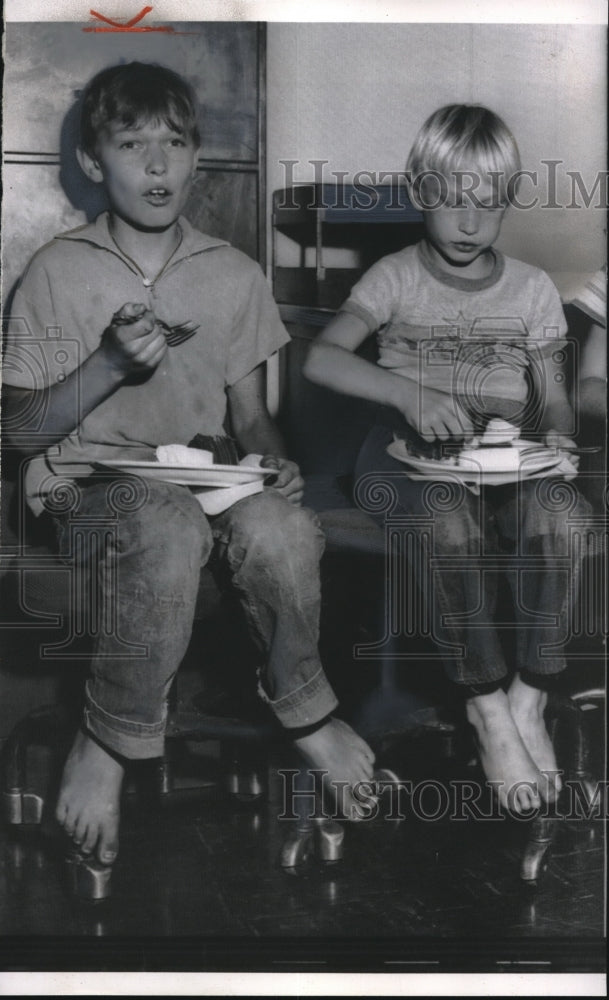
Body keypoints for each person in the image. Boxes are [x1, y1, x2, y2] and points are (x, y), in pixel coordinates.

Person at [2, 62, 375, 866]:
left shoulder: (233, 276)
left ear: (198, 157)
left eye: (174, 142)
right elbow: (21, 434)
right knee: (164, 521)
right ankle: (110, 738)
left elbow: (250, 420)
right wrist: (105, 365)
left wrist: (273, 466)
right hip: (88, 490)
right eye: (132, 144)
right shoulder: (55, 272)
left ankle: (305, 711)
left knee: (280, 525)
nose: (157, 163)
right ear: (95, 163)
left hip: (206, 483)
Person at [304, 104, 592, 814]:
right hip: (400, 455)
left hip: (500, 455)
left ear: (508, 201)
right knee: (445, 524)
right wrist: (404, 392)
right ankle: (485, 704)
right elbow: (320, 358)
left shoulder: (529, 289)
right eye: (450, 199)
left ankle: (530, 695)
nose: (468, 221)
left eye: (487, 203)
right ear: (417, 189)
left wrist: (555, 438)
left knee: (567, 519)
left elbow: (553, 399)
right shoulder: (393, 276)